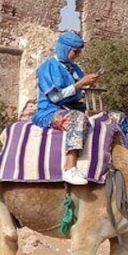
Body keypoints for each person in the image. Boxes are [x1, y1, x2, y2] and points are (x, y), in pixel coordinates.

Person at [30, 32, 101, 185]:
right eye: (75, 52)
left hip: (73, 107)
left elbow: (78, 90)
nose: (77, 56)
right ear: (64, 48)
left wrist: (88, 84)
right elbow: (55, 97)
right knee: (77, 119)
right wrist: (80, 84)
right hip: (50, 111)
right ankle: (69, 168)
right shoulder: (47, 68)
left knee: (113, 116)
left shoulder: (73, 68)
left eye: (79, 52)